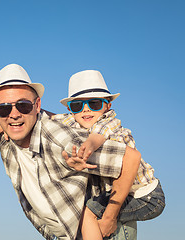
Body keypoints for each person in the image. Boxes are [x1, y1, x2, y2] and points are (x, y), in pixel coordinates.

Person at [0, 64, 141, 240]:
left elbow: (129, 158)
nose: (14, 114)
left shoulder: (59, 137)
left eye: (23, 106)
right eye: (5, 108)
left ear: (37, 106)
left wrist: (110, 217)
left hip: (105, 231)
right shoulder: (3, 129)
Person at [57, 70, 165, 239]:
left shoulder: (109, 122)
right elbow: (46, 119)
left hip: (146, 196)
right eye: (78, 105)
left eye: (94, 103)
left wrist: (87, 147)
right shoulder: (75, 121)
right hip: (118, 195)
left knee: (86, 213)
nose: (86, 109)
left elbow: (96, 137)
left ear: (107, 106)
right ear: (71, 110)